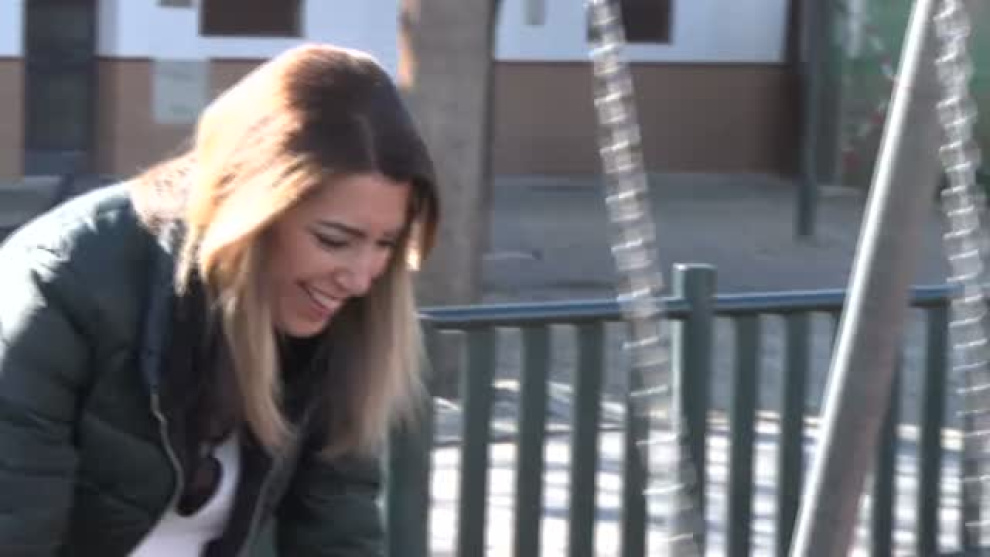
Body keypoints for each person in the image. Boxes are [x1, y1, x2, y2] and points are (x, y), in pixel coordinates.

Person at [0, 43, 439, 556]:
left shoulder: (337, 324)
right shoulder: (62, 281)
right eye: (333, 240)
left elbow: (339, 533)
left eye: (385, 244)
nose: (361, 280)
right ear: (249, 212)